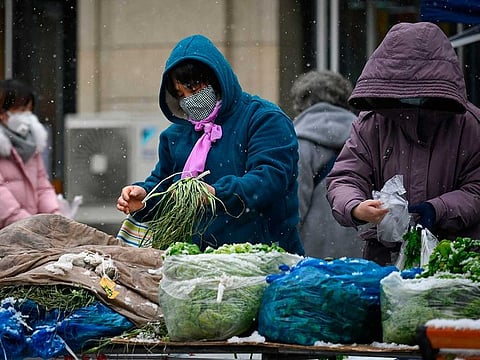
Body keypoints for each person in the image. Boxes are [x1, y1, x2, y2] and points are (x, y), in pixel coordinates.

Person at [117, 34, 304, 255]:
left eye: (194, 89)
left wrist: (216, 193)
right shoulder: (176, 135)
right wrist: (145, 197)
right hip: (195, 261)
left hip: (262, 258)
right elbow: (164, 183)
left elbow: (269, 178)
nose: (189, 99)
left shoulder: (264, 119)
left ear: (217, 79)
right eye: (180, 94)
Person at [326, 22, 480, 266]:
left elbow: (476, 188)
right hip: (385, 262)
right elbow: (346, 177)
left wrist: (437, 209)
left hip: (457, 260)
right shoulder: (372, 123)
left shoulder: (471, 126)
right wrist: (355, 207)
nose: (410, 100)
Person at [290, 70, 362, 259]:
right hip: (362, 255)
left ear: (301, 102)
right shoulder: (366, 138)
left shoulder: (298, 142)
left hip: (312, 258)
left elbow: (294, 209)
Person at [0, 79, 60, 229]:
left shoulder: (31, 145)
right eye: (21, 109)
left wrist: (56, 217)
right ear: (2, 113)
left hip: (27, 235)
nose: (27, 116)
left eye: (29, 109)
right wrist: (30, 226)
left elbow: (42, 187)